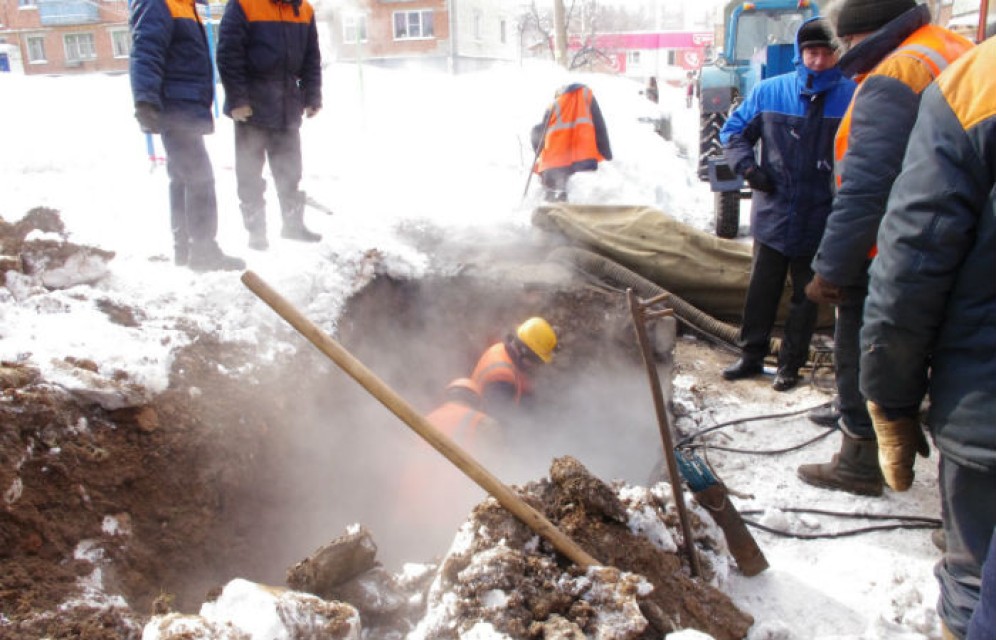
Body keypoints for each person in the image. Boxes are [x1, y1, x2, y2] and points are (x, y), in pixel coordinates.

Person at [798, 0, 973, 497]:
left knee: (863, 348)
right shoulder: (948, 47)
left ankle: (858, 459)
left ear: (858, 35)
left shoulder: (894, 74)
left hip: (895, 248)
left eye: (844, 45)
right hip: (956, 239)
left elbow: (867, 186)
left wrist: (832, 267)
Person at [858, 34, 996, 640]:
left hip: (989, 404)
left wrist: (889, 397)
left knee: (975, 584)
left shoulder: (979, 81)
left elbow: (913, 261)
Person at [717, 18, 855, 392]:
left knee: (806, 298)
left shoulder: (853, 96)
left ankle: (790, 366)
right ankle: (750, 356)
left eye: (826, 53)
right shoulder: (769, 92)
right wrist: (748, 168)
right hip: (774, 214)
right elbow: (732, 132)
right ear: (800, 53)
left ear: (837, 54)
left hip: (821, 217)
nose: (818, 61)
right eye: (812, 52)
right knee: (761, 291)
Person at [129, 0, 245, 273]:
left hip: (184, 104)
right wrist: (145, 100)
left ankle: (185, 249)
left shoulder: (183, 5)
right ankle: (203, 251)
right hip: (175, 105)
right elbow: (146, 50)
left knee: (182, 179)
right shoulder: (159, 3)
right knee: (199, 178)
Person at [216, 0, 323, 252]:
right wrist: (238, 100)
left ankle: (293, 225)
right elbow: (228, 54)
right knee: (250, 172)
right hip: (252, 105)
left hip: (288, 103)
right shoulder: (244, 4)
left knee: (290, 169)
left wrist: (312, 97)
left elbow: (311, 57)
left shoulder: (304, 10)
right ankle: (256, 232)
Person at [532, 83, 612, 202]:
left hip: (553, 161)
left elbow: (539, 133)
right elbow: (599, 125)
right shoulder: (586, 96)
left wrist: (538, 154)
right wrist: (606, 152)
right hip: (582, 160)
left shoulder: (554, 105)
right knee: (573, 200)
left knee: (551, 201)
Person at [470, 317, 557, 418]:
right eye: (536, 360)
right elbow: (501, 423)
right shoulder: (502, 379)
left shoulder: (501, 348)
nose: (536, 366)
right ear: (524, 351)